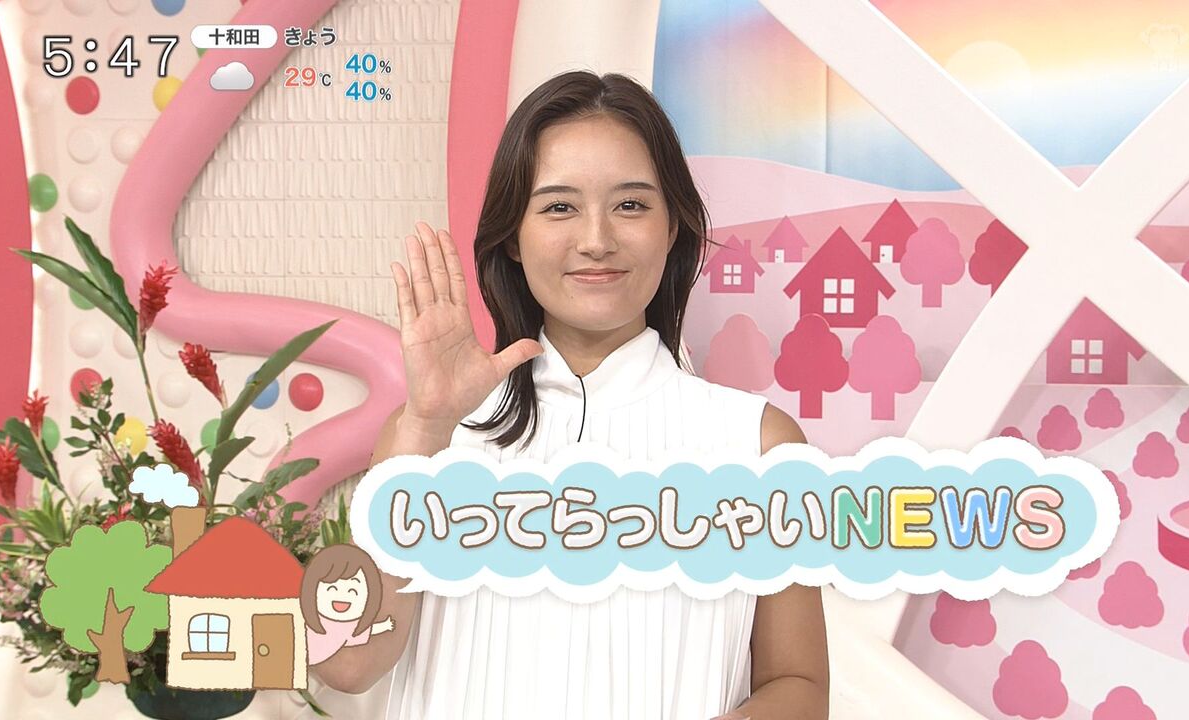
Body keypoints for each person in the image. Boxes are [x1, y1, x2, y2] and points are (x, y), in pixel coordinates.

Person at [313, 70, 829, 719]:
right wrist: (424, 430)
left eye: (631, 205)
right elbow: (346, 665)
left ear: (673, 227)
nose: (596, 240)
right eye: (559, 207)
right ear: (513, 237)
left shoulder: (759, 444)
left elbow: (798, 685)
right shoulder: (426, 436)